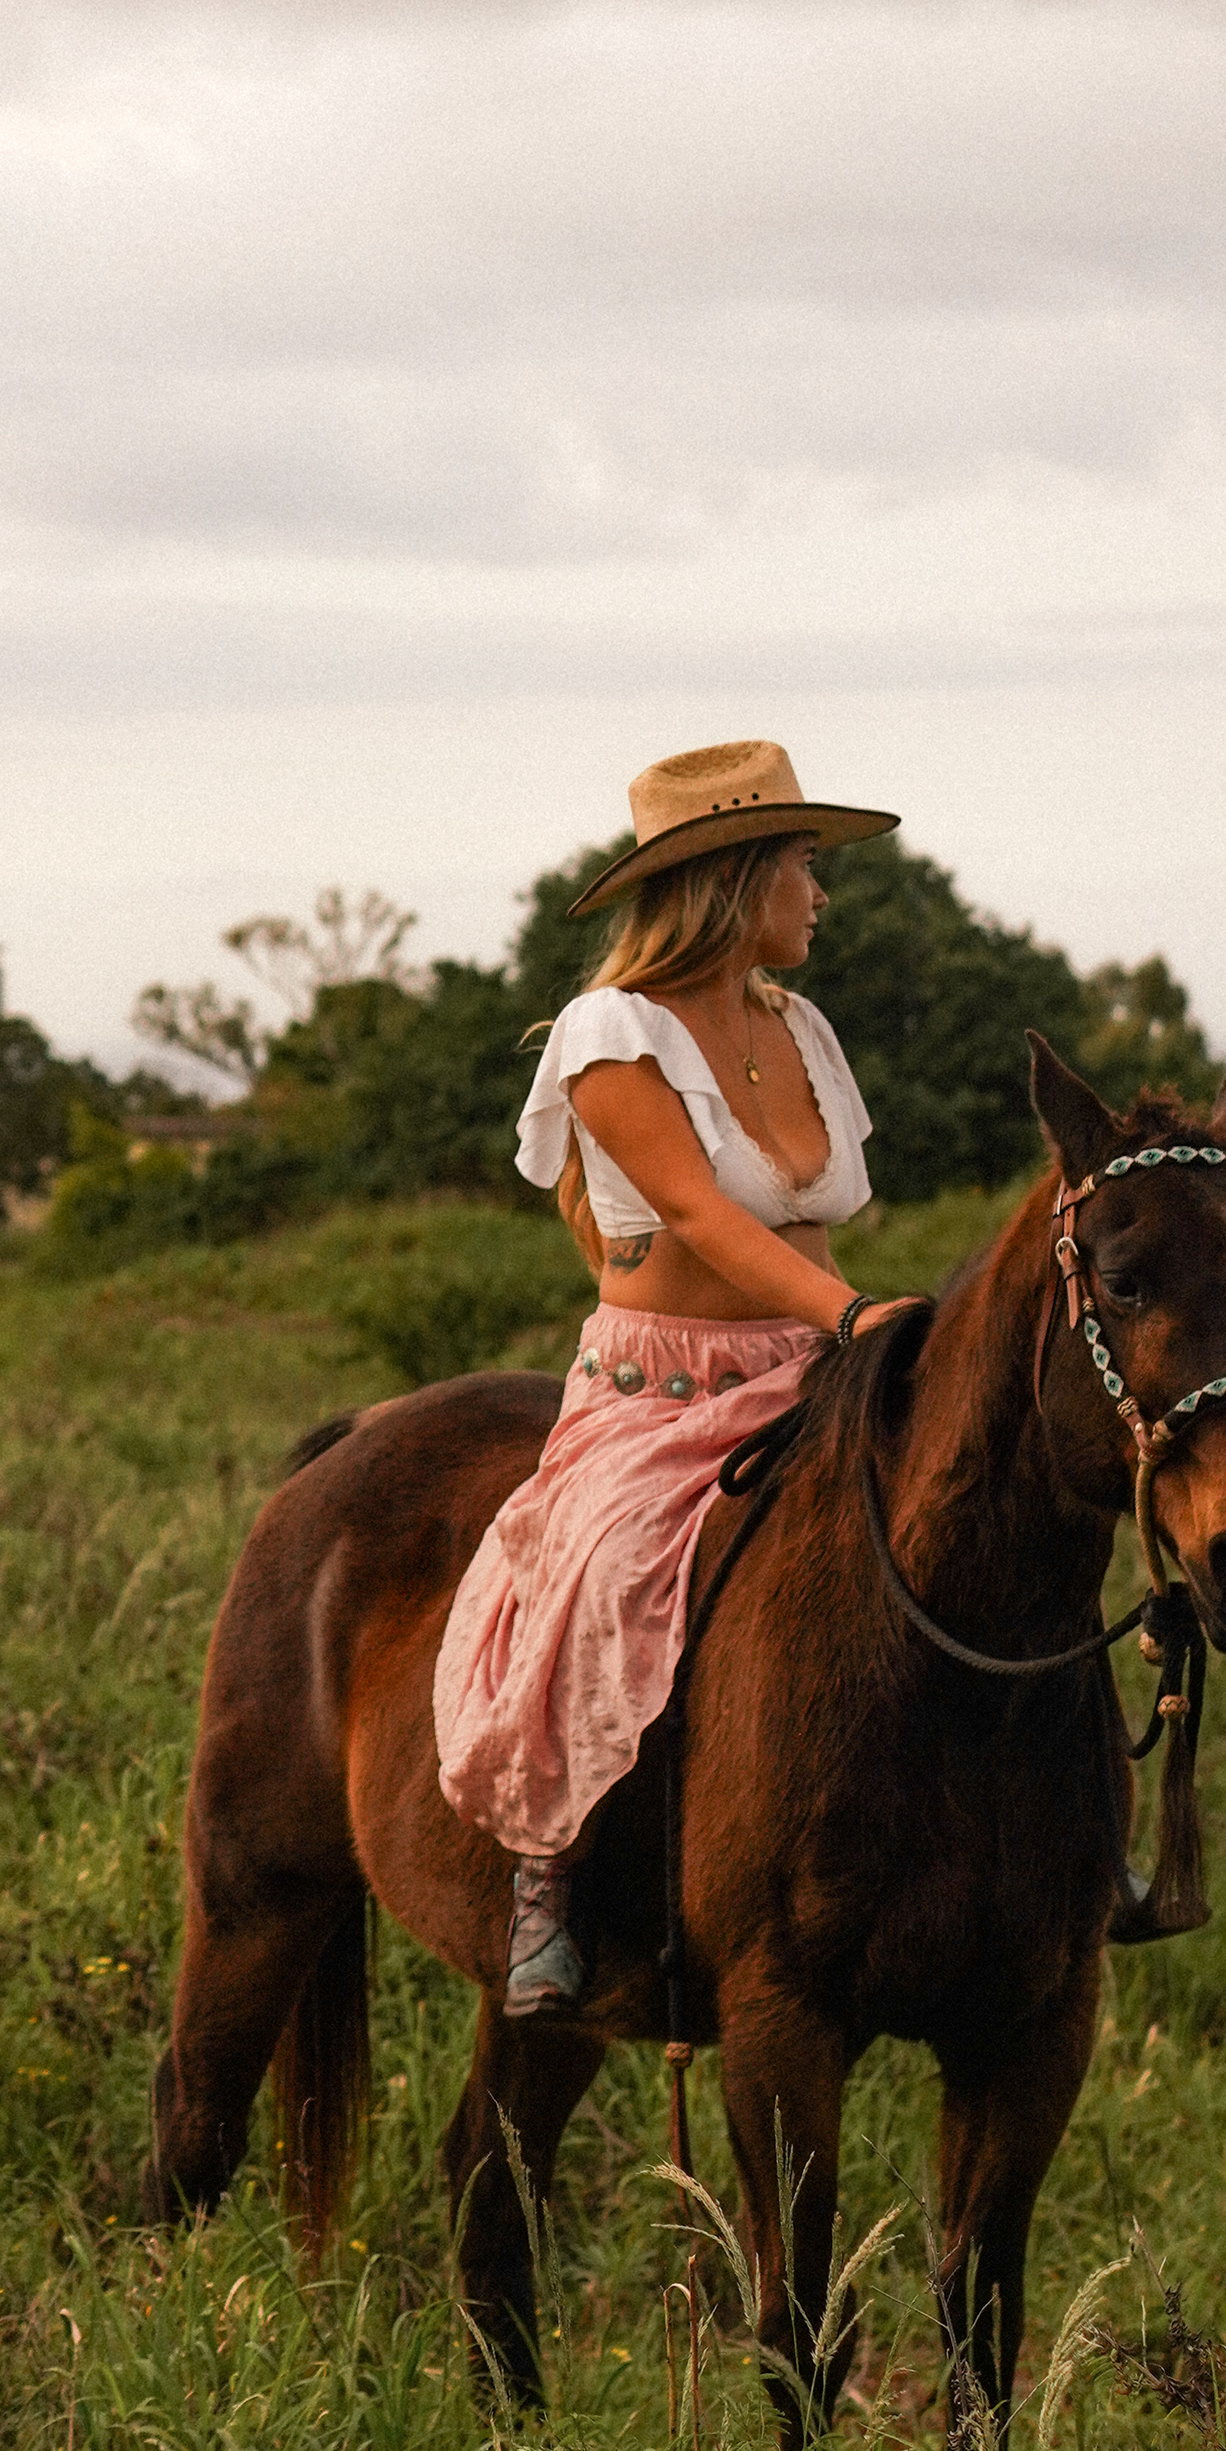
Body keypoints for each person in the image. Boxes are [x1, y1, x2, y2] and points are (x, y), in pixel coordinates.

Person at [433, 740, 924, 2016]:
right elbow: (701, 1216)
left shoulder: (798, 1025)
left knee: (981, 1503)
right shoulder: (613, 1035)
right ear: (738, 875)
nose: (822, 894)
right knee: (602, 1557)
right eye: (804, 867)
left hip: (813, 1358)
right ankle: (547, 1870)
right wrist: (857, 1312)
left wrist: (848, 1330)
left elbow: (813, 1215)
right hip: (670, 1385)